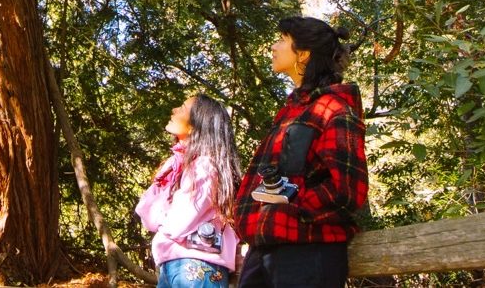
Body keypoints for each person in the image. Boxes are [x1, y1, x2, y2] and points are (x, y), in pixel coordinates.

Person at [234, 16, 368, 288]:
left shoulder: (335, 110)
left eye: (282, 40)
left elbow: (347, 191)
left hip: (307, 254)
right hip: (264, 250)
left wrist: (291, 207)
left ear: (303, 54)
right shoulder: (291, 111)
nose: (273, 46)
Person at [136, 94, 242, 287]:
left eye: (183, 108)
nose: (174, 110)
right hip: (171, 266)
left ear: (195, 126)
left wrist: (163, 216)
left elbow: (178, 223)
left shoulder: (205, 167)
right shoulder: (175, 165)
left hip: (197, 268)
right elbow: (145, 214)